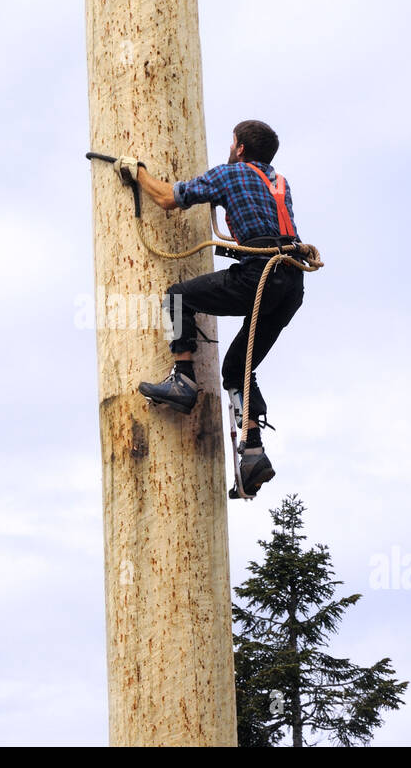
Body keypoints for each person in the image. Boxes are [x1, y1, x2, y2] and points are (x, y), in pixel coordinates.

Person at [120, 120, 304, 497]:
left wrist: (137, 172)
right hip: (290, 283)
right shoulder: (279, 183)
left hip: (259, 274)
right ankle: (253, 453)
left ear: (238, 147)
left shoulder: (230, 174)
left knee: (176, 296)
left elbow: (168, 198)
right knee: (238, 369)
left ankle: (183, 379)